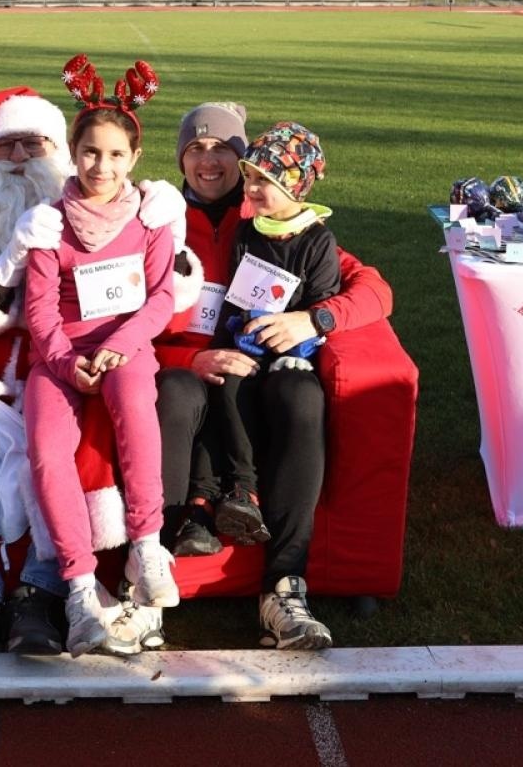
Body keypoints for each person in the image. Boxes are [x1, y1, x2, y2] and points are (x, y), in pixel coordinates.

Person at [0, 87, 187, 656]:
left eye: (35, 143)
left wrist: (171, 219)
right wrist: (4, 265)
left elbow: (167, 292)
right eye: (7, 147)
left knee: (82, 430)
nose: (22, 157)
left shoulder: (127, 211)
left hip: (74, 366)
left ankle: (43, 592)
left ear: (59, 152)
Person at [155, 109, 393, 651]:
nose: (209, 160)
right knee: (175, 393)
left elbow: (374, 288)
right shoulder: (157, 219)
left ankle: (284, 588)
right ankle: (153, 575)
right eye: (196, 148)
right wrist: (186, 359)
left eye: (223, 149)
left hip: (263, 362)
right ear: (180, 158)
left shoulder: (279, 221)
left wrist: (314, 320)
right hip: (189, 366)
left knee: (301, 397)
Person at [22, 56, 179, 656]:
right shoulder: (48, 223)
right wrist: (65, 363)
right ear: (72, 154)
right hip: (61, 354)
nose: (102, 167)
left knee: (137, 404)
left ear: (134, 160)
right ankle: (80, 588)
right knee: (45, 446)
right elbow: (38, 311)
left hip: (126, 345)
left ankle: (145, 545)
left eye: (116, 156)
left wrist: (117, 348)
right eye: (90, 153)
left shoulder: (151, 216)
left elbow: (162, 295)